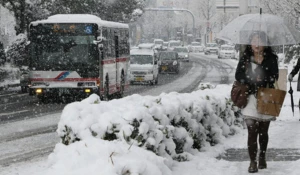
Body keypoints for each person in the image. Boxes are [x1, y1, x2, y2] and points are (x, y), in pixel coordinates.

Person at [235, 31, 279, 173]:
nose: (256, 44)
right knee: (252, 130)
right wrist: (251, 79)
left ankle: (262, 157)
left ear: (265, 44)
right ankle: (252, 161)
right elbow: (238, 75)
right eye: (254, 40)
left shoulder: (271, 58)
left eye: (259, 41)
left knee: (263, 131)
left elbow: (275, 76)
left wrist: (264, 79)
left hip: (266, 96)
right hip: (250, 97)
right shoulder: (246, 58)